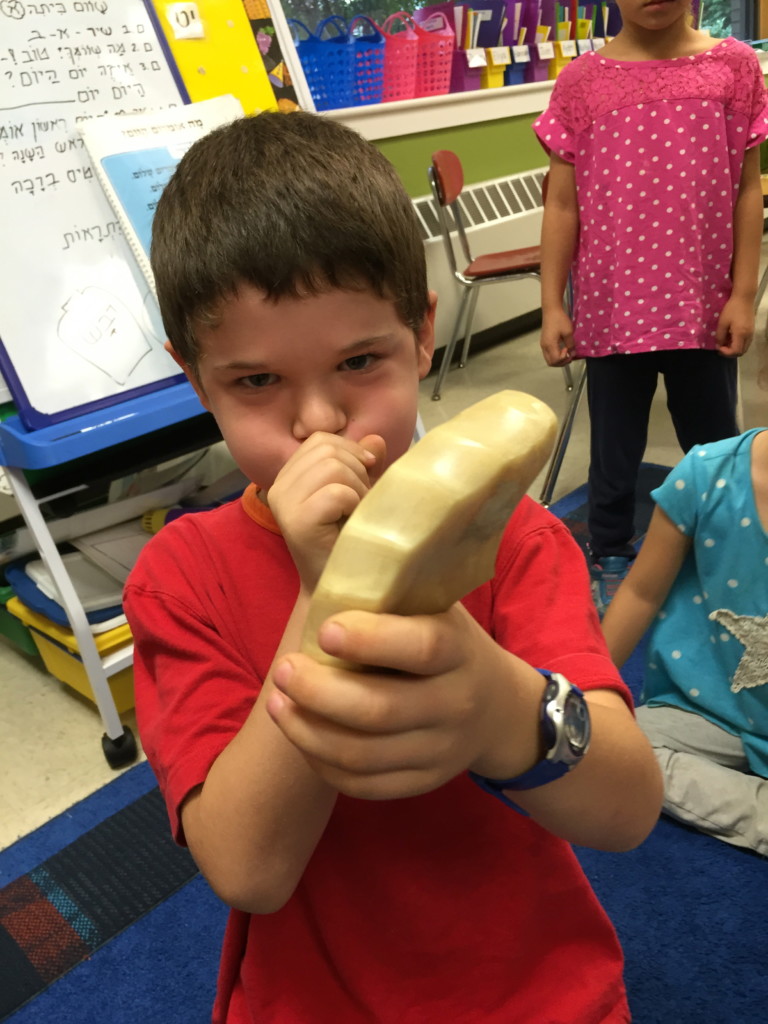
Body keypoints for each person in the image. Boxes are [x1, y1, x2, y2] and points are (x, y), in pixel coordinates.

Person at [123, 110, 662, 1024]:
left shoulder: (516, 539)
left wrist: (498, 706)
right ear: (196, 378)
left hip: (540, 995)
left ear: (421, 335)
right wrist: (326, 592)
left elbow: (627, 810)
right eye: (256, 382)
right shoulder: (182, 576)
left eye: (359, 361)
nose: (318, 424)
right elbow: (249, 869)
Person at [532, 0, 768, 614]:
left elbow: (747, 189)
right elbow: (562, 203)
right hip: (612, 309)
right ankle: (611, 551)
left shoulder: (735, 68)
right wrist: (552, 303)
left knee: (715, 447)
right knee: (613, 449)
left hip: (701, 304)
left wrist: (744, 294)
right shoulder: (581, 82)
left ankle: (729, 552)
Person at [601, 408, 768, 855]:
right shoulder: (707, 473)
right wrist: (582, 692)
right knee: (610, 745)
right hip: (712, 710)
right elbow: (640, 593)